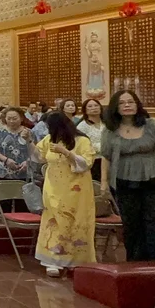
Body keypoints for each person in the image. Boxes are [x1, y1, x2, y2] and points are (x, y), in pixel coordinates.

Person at [100, 90, 155, 262]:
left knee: (154, 223)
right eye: (122, 103)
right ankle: (135, 264)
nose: (127, 105)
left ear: (137, 105)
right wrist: (104, 182)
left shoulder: (151, 125)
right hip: (124, 181)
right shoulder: (110, 130)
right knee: (131, 224)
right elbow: (106, 156)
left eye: (131, 102)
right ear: (115, 108)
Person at [34, 112, 96, 277]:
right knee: (54, 220)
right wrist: (27, 141)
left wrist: (67, 152)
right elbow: (38, 157)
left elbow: (86, 163)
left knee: (75, 220)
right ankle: (52, 260)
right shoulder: (49, 139)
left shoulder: (82, 141)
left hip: (76, 189)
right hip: (53, 187)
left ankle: (77, 260)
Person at [0, 107, 33, 184]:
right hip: (2, 171)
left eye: (15, 118)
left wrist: (28, 162)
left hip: (24, 172)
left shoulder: (29, 132)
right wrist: (6, 160)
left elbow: (35, 150)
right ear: (5, 118)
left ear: (21, 118)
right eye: (9, 119)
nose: (11, 121)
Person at [76, 99, 106, 180]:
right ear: (85, 110)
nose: (94, 108)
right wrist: (102, 147)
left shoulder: (107, 123)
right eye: (90, 106)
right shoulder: (82, 126)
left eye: (96, 105)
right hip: (93, 161)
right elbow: (81, 145)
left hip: (108, 159)